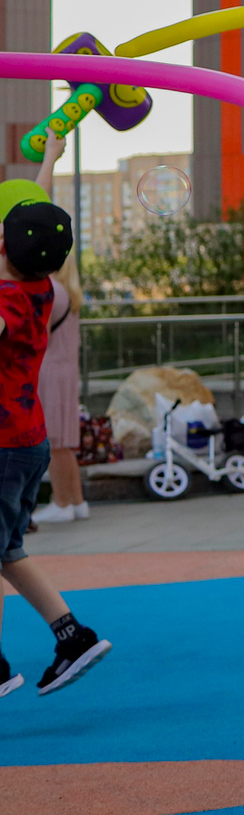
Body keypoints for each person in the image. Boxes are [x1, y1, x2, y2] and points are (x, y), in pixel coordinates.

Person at [0, 135, 110, 697]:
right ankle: (72, 636)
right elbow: (34, 222)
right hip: (27, 440)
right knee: (8, 551)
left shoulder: (7, 300)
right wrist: (48, 163)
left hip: (2, 445)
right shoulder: (41, 284)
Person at [29, 253, 84, 524]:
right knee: (65, 441)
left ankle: (61, 502)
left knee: (54, 441)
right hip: (66, 370)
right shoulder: (69, 292)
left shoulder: (50, 291)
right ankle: (76, 500)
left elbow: (39, 336)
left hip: (49, 372)